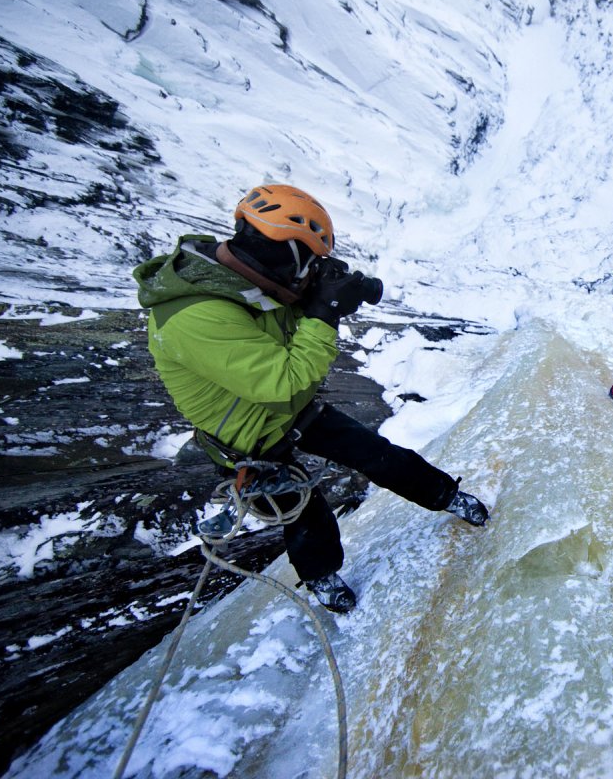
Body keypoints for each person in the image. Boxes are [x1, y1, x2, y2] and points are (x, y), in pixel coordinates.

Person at [135, 183, 489, 613]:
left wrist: (325, 296)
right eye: (307, 264)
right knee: (303, 511)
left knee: (375, 452)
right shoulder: (196, 316)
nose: (306, 274)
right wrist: (323, 313)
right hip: (249, 438)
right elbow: (282, 379)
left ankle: (445, 495)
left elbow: (277, 318)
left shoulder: (237, 280)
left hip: (288, 410)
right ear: (284, 253)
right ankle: (320, 575)